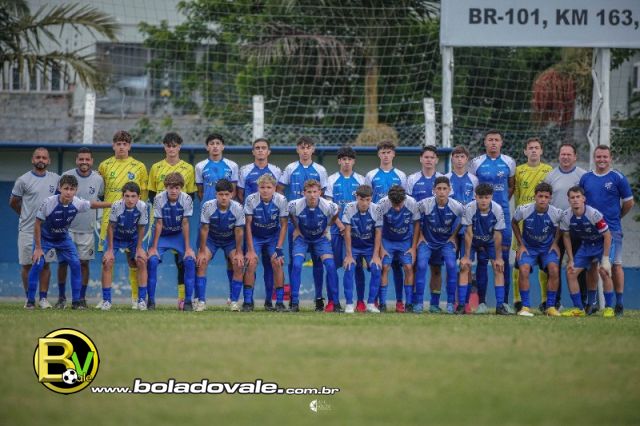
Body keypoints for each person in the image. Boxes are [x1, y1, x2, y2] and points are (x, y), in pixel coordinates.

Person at [25, 175, 111, 310]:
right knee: (38, 263)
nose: (68, 192)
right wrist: (38, 248)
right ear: (60, 188)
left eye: (72, 189)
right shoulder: (48, 202)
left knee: (76, 264)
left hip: (63, 239)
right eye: (66, 188)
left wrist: (112, 204)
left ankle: (76, 302)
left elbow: (93, 204)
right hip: (45, 238)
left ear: (76, 190)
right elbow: (37, 224)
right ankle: (30, 301)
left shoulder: (77, 202)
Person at [579, 145, 634, 317]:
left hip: (612, 230)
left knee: (614, 266)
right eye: (599, 157)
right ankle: (592, 303)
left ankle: (619, 304)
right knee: (591, 266)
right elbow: (581, 202)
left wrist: (617, 217)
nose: (602, 160)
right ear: (594, 158)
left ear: (610, 158)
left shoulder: (618, 177)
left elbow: (629, 203)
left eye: (605, 157)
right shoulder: (586, 178)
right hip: (590, 232)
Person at [98, 130, 148, 309]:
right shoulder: (104, 166)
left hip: (133, 223)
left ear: (129, 146)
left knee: (136, 260)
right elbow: (100, 193)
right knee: (107, 260)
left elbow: (143, 194)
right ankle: (105, 300)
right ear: (113, 146)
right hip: (110, 221)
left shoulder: (139, 166)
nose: (121, 147)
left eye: (124, 144)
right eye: (118, 144)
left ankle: (137, 299)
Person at [278, 136, 328, 311]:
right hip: (296, 222)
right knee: (295, 261)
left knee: (318, 261)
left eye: (308, 147)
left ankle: (319, 298)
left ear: (313, 149)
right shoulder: (290, 168)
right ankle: (294, 300)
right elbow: (280, 190)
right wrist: (288, 209)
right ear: (297, 149)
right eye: (302, 147)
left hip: (316, 221)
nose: (305, 150)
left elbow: (325, 195)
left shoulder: (320, 170)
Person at [148, 132, 197, 310]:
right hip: (162, 230)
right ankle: (149, 301)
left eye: (174, 145)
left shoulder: (188, 171)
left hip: (178, 231)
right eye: (168, 145)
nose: (171, 148)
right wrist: (153, 247)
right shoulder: (156, 169)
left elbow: (185, 221)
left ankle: (187, 301)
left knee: (188, 261)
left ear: (179, 147)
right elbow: (158, 220)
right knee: (151, 260)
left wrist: (188, 248)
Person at [468, 130, 516, 313]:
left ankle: (503, 303)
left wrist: (499, 204)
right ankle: (481, 303)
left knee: (502, 259)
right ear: (485, 142)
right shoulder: (476, 163)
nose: (493, 143)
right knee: (482, 259)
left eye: (497, 140)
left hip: (503, 215)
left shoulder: (509, 162)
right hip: (481, 217)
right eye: (490, 140)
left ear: (501, 143)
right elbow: (473, 188)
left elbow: (511, 186)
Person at [10, 147, 60, 309]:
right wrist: (24, 214)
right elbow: (13, 202)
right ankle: (29, 298)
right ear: (33, 160)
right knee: (27, 264)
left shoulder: (56, 179)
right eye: (38, 157)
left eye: (44, 158)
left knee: (45, 264)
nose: (41, 160)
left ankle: (43, 298)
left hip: (48, 232)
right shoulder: (23, 180)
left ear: (49, 161)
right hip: (27, 230)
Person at [237, 138, 282, 309]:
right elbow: (240, 194)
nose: (261, 150)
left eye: (264, 148)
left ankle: (271, 301)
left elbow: (278, 194)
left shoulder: (276, 170)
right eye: (257, 148)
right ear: (253, 151)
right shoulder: (245, 170)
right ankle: (248, 301)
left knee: (273, 264)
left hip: (271, 230)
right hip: (253, 227)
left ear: (269, 151)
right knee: (250, 262)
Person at [195, 133, 240, 304]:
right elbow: (200, 192)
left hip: (228, 220)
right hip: (208, 218)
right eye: (212, 143)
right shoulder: (200, 166)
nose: (215, 146)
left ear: (223, 146)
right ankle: (199, 299)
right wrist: (210, 206)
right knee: (201, 259)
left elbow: (233, 190)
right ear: (207, 147)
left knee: (232, 261)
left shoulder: (232, 165)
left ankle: (232, 298)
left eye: (218, 143)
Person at [57, 147, 104, 309]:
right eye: (81, 159)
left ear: (92, 161)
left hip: (87, 230)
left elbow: (101, 197)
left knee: (84, 263)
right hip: (66, 230)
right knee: (63, 263)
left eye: (87, 159)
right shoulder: (66, 176)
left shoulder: (98, 179)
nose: (84, 162)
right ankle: (61, 298)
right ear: (76, 160)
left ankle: (81, 299)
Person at [365, 141, 408, 311]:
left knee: (398, 266)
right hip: (378, 227)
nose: (386, 155)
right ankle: (376, 301)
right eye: (383, 152)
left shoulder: (401, 175)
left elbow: (404, 199)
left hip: (397, 226)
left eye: (389, 152)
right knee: (382, 266)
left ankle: (399, 302)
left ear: (393, 154)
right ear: (379, 154)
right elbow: (367, 198)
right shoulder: (371, 175)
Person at [560, 186, 616, 318]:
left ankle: (609, 308)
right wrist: (571, 259)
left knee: (604, 271)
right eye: (572, 197)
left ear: (583, 199)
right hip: (586, 246)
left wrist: (605, 259)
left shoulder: (593, 214)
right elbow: (566, 236)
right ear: (569, 200)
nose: (575, 200)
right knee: (571, 272)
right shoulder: (566, 216)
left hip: (602, 244)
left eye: (578, 197)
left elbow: (607, 235)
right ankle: (579, 309)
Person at [512, 137, 553, 312]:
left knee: (544, 262)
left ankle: (544, 300)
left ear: (541, 151)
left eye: (537, 147)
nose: (534, 150)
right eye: (530, 148)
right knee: (519, 261)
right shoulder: (518, 171)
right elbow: (516, 195)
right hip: (523, 222)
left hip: (542, 222)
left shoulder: (549, 170)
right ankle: (517, 300)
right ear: (525, 151)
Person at [543, 143, 587, 306]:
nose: (566, 157)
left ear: (575, 157)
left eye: (569, 154)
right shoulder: (550, 176)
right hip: (556, 230)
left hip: (578, 229)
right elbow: (545, 201)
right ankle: (555, 303)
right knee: (553, 266)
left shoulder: (583, 176)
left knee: (579, 265)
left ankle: (583, 303)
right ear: (559, 156)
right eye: (563, 154)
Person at [287, 179, 340, 313]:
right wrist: (296, 228)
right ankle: (294, 303)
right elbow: (290, 214)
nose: (312, 195)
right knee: (297, 264)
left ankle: (335, 303)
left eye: (315, 192)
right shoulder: (295, 205)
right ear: (304, 193)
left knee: (330, 266)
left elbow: (336, 212)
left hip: (320, 239)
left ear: (320, 192)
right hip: (302, 239)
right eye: (309, 192)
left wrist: (328, 227)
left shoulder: (328, 205)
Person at [511, 183, 563, 317]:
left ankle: (550, 307)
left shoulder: (556, 212)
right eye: (540, 196)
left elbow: (562, 225)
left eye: (546, 197)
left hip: (547, 248)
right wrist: (521, 244)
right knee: (523, 269)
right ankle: (525, 307)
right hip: (528, 248)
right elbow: (514, 222)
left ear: (550, 198)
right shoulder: (524, 210)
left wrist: (555, 243)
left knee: (554, 269)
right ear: (535, 196)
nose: (543, 199)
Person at [459, 183, 511, 315]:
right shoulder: (469, 208)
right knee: (464, 266)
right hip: (473, 240)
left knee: (498, 267)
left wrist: (498, 258)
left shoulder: (497, 209)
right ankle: (461, 305)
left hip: (490, 241)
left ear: (491, 197)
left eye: (486, 197)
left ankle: (500, 306)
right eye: (480, 197)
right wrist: (466, 257)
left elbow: (498, 235)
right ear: (475, 197)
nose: (483, 200)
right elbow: (468, 233)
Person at [415, 177, 464, 314]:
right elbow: (414, 217)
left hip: (446, 243)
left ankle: (449, 304)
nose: (442, 192)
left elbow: (466, 219)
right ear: (434, 190)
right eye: (439, 189)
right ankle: (419, 303)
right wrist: (420, 235)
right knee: (421, 266)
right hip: (427, 242)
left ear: (449, 190)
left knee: (451, 266)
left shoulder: (456, 206)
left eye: (444, 189)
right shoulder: (425, 204)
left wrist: (454, 236)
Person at [325, 146, 365, 312]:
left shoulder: (361, 180)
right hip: (336, 229)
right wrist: (341, 225)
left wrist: (349, 227)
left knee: (357, 266)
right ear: (339, 161)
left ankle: (360, 302)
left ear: (353, 161)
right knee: (332, 266)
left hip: (356, 231)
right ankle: (332, 301)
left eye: (349, 159)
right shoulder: (331, 180)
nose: (346, 162)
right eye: (343, 159)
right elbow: (329, 207)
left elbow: (364, 205)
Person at [197, 179, 246, 312]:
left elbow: (239, 231)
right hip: (212, 240)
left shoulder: (238, 208)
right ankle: (201, 301)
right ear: (216, 194)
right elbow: (204, 229)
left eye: (226, 194)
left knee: (238, 264)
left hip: (230, 240)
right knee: (201, 262)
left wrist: (239, 252)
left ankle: (234, 301)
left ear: (232, 194)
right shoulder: (208, 206)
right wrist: (201, 251)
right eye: (221, 194)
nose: (224, 197)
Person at [407, 145, 445, 313]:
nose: (429, 160)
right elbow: (409, 206)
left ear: (436, 160)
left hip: (437, 233)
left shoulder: (443, 179)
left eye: (432, 157)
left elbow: (447, 205)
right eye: (426, 157)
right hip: (417, 231)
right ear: (421, 159)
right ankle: (416, 303)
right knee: (416, 266)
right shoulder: (412, 179)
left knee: (436, 268)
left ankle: (435, 304)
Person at [100, 182, 148, 311]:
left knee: (142, 261)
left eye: (133, 196)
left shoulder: (142, 206)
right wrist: (110, 249)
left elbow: (141, 227)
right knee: (107, 262)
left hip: (133, 238)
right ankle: (106, 301)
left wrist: (139, 248)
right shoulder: (116, 206)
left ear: (139, 197)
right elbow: (111, 227)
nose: (130, 199)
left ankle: (141, 300)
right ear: (122, 196)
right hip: (116, 238)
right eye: (127, 196)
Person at [243, 175, 288, 312]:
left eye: (269, 187)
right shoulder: (251, 199)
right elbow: (247, 225)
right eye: (262, 187)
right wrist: (251, 250)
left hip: (273, 237)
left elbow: (284, 225)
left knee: (277, 262)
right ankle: (248, 302)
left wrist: (279, 248)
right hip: (255, 236)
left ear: (274, 188)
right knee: (251, 262)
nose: (265, 190)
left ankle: (279, 303)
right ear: (258, 188)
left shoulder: (281, 200)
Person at [445, 146, 478, 312]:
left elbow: (476, 203)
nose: (459, 160)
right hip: (449, 230)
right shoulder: (445, 178)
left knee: (466, 265)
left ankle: (464, 304)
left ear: (467, 160)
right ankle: (451, 302)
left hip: (467, 229)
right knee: (451, 265)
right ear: (452, 159)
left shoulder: (474, 179)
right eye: (456, 156)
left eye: (462, 157)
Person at [377, 185, 420, 313]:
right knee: (385, 267)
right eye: (394, 205)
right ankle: (382, 304)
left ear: (404, 199)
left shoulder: (412, 203)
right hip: (387, 240)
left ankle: (409, 304)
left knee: (408, 267)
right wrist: (381, 247)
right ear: (389, 200)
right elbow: (377, 227)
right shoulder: (381, 204)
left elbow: (417, 224)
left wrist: (413, 247)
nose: (397, 208)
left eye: (399, 205)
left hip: (404, 240)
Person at [341, 185, 383, 313]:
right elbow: (347, 232)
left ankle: (371, 303)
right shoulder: (349, 207)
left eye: (368, 200)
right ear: (357, 197)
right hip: (353, 246)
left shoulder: (377, 209)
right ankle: (349, 304)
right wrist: (349, 255)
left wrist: (376, 255)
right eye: (361, 199)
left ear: (371, 198)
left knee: (376, 268)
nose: (364, 203)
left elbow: (378, 233)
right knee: (349, 267)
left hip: (369, 247)